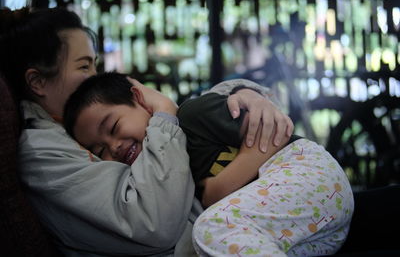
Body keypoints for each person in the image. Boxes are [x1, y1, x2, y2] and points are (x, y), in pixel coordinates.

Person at [0, 6, 294, 256]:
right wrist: (164, 115)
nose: (95, 76)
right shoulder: (45, 154)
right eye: (84, 66)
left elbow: (189, 125)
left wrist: (245, 94)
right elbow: (153, 221)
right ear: (38, 83)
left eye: (94, 65)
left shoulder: (76, 125)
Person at [63, 72, 354, 256]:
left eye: (113, 127)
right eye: (99, 149)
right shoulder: (160, 172)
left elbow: (277, 133)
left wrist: (218, 188)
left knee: (211, 229)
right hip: (310, 230)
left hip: (306, 172)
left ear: (139, 99)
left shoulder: (192, 116)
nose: (113, 146)